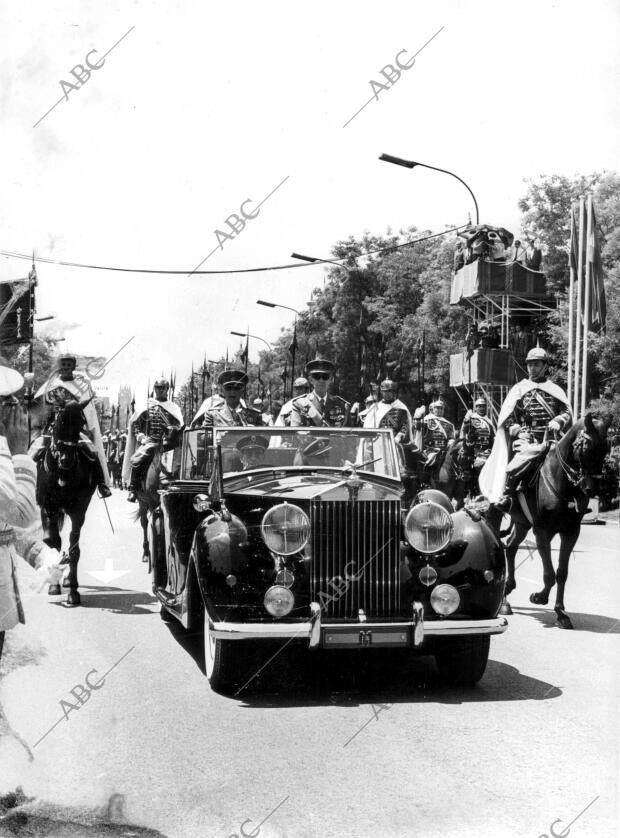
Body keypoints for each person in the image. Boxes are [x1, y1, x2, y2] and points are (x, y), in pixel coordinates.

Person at [1, 364, 62, 663]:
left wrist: (38, 552)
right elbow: (19, 512)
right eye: (9, 403)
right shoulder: (6, 451)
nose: (17, 411)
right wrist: (21, 452)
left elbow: (8, 527)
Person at [479, 347, 571, 510]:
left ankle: (573, 498)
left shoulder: (555, 390)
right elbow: (508, 415)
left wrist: (558, 420)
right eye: (530, 365)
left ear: (545, 366)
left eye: (536, 364)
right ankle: (508, 494)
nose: (532, 368)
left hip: (553, 436)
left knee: (571, 461)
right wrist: (515, 427)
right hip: (528, 437)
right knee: (518, 463)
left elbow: (566, 412)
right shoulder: (519, 389)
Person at [29, 354, 111, 498]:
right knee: (35, 449)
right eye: (63, 364)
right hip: (53, 427)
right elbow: (41, 408)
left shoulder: (82, 386)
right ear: (59, 366)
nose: (65, 367)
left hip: (75, 428)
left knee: (91, 451)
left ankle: (101, 483)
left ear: (73, 367)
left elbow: (88, 411)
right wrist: (42, 406)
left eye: (68, 364)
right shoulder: (50, 385)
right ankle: (28, 482)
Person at [124, 378, 185, 502]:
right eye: (157, 388)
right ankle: (133, 489)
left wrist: (173, 430)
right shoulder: (147, 406)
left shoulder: (173, 408)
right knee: (137, 459)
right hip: (152, 441)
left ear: (167, 389)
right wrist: (141, 436)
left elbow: (179, 426)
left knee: (183, 462)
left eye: (162, 388)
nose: (159, 390)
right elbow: (136, 425)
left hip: (169, 444)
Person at [289, 359, 350, 427]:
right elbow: (296, 434)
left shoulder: (342, 405)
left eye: (325, 376)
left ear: (330, 380)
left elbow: (350, 435)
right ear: (311, 380)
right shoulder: (299, 404)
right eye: (317, 376)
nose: (321, 380)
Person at [362, 379, 412, 444]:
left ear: (393, 392)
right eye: (385, 391)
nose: (387, 393)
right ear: (381, 392)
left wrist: (398, 438)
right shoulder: (376, 407)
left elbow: (405, 427)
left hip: (395, 444)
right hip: (378, 442)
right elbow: (369, 426)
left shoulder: (401, 408)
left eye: (389, 391)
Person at [414, 398, 456, 470]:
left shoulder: (449, 424)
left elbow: (451, 437)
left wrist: (451, 442)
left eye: (441, 408)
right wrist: (418, 417)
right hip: (429, 451)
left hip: (444, 451)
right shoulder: (426, 420)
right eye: (437, 408)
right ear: (433, 409)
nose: (440, 410)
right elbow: (417, 428)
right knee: (429, 465)